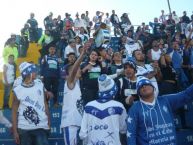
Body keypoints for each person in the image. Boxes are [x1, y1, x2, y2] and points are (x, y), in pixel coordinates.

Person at [127, 76, 193, 145]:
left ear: (153, 87)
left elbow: (186, 95)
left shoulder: (165, 100)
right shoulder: (134, 109)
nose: (144, 86)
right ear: (138, 93)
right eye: (141, 86)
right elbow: (131, 134)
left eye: (146, 84)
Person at [79, 74, 127, 145]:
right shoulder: (119, 106)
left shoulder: (88, 106)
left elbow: (82, 134)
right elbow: (123, 130)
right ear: (114, 90)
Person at [12, 62, 50, 145]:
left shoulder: (40, 85)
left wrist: (48, 122)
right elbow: (14, 111)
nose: (36, 72)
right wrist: (15, 131)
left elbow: (45, 105)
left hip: (41, 127)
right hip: (24, 128)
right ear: (28, 73)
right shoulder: (17, 90)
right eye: (34, 71)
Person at [60, 43, 89, 145]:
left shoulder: (78, 84)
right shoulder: (69, 82)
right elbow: (75, 69)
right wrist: (82, 54)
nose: (79, 70)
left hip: (79, 122)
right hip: (70, 123)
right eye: (77, 69)